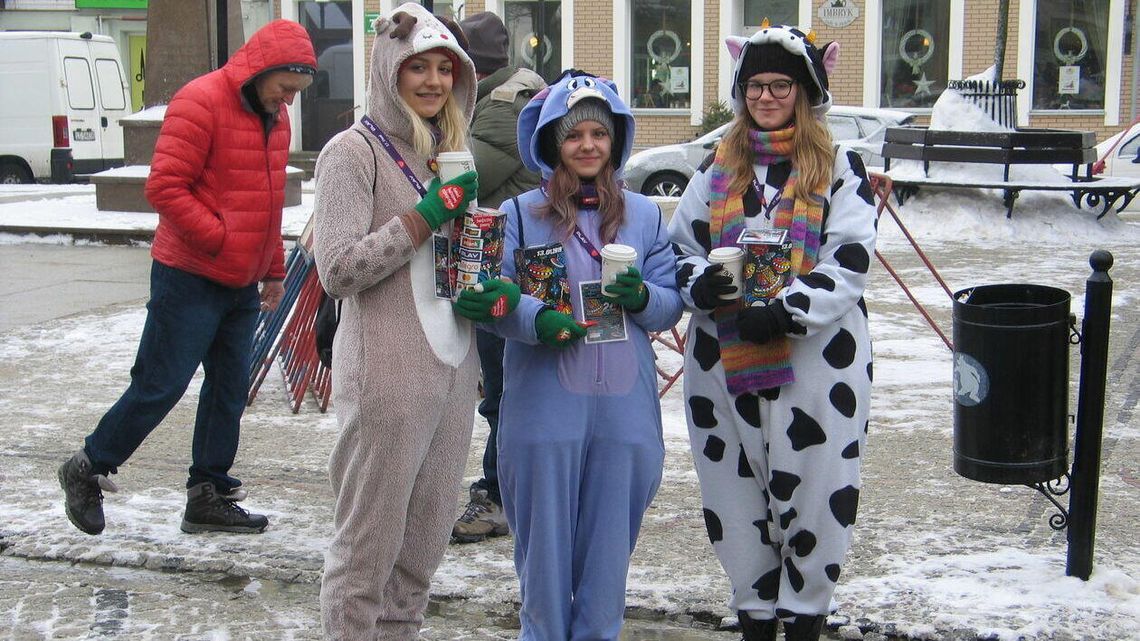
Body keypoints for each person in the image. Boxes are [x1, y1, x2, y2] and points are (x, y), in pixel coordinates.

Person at [56, 19, 316, 537]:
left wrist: (271, 269)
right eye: (285, 86)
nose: (288, 99)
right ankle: (88, 466)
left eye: (296, 92)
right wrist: (221, 238)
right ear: (262, 69)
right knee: (161, 383)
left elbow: (265, 203)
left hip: (241, 282)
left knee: (228, 388)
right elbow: (166, 187)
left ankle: (208, 494)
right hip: (190, 275)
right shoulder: (202, 100)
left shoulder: (276, 116)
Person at [454, 70, 684, 640]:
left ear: (616, 142)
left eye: (599, 135)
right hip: (543, 410)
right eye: (574, 134)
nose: (587, 145)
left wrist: (645, 297)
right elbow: (485, 299)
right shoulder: (516, 215)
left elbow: (669, 304)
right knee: (545, 557)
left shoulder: (646, 215)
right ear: (553, 143)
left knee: (608, 557)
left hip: (623, 413)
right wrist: (536, 318)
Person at [667, 26, 876, 641]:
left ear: (805, 91)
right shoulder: (716, 169)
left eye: (780, 84)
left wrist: (788, 309)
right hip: (723, 358)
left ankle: (806, 614)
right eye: (755, 84)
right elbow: (679, 248)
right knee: (733, 490)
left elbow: (851, 257)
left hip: (818, 361)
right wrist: (696, 283)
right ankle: (754, 615)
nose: (766, 95)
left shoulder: (839, 165)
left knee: (815, 490)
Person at [310, 5, 486, 639]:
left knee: (419, 558)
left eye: (445, 68)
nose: (434, 81)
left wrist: (483, 274)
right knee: (366, 555)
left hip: (452, 373)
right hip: (385, 381)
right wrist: (425, 217)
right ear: (390, 69)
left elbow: (452, 257)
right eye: (419, 67)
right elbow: (337, 269)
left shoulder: (449, 152)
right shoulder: (351, 153)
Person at [450, 10, 547, 545]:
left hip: (503, 265)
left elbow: (457, 182)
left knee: (503, 389)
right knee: (502, 386)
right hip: (504, 257)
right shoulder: (500, 99)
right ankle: (504, 487)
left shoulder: (499, 109)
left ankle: (499, 495)